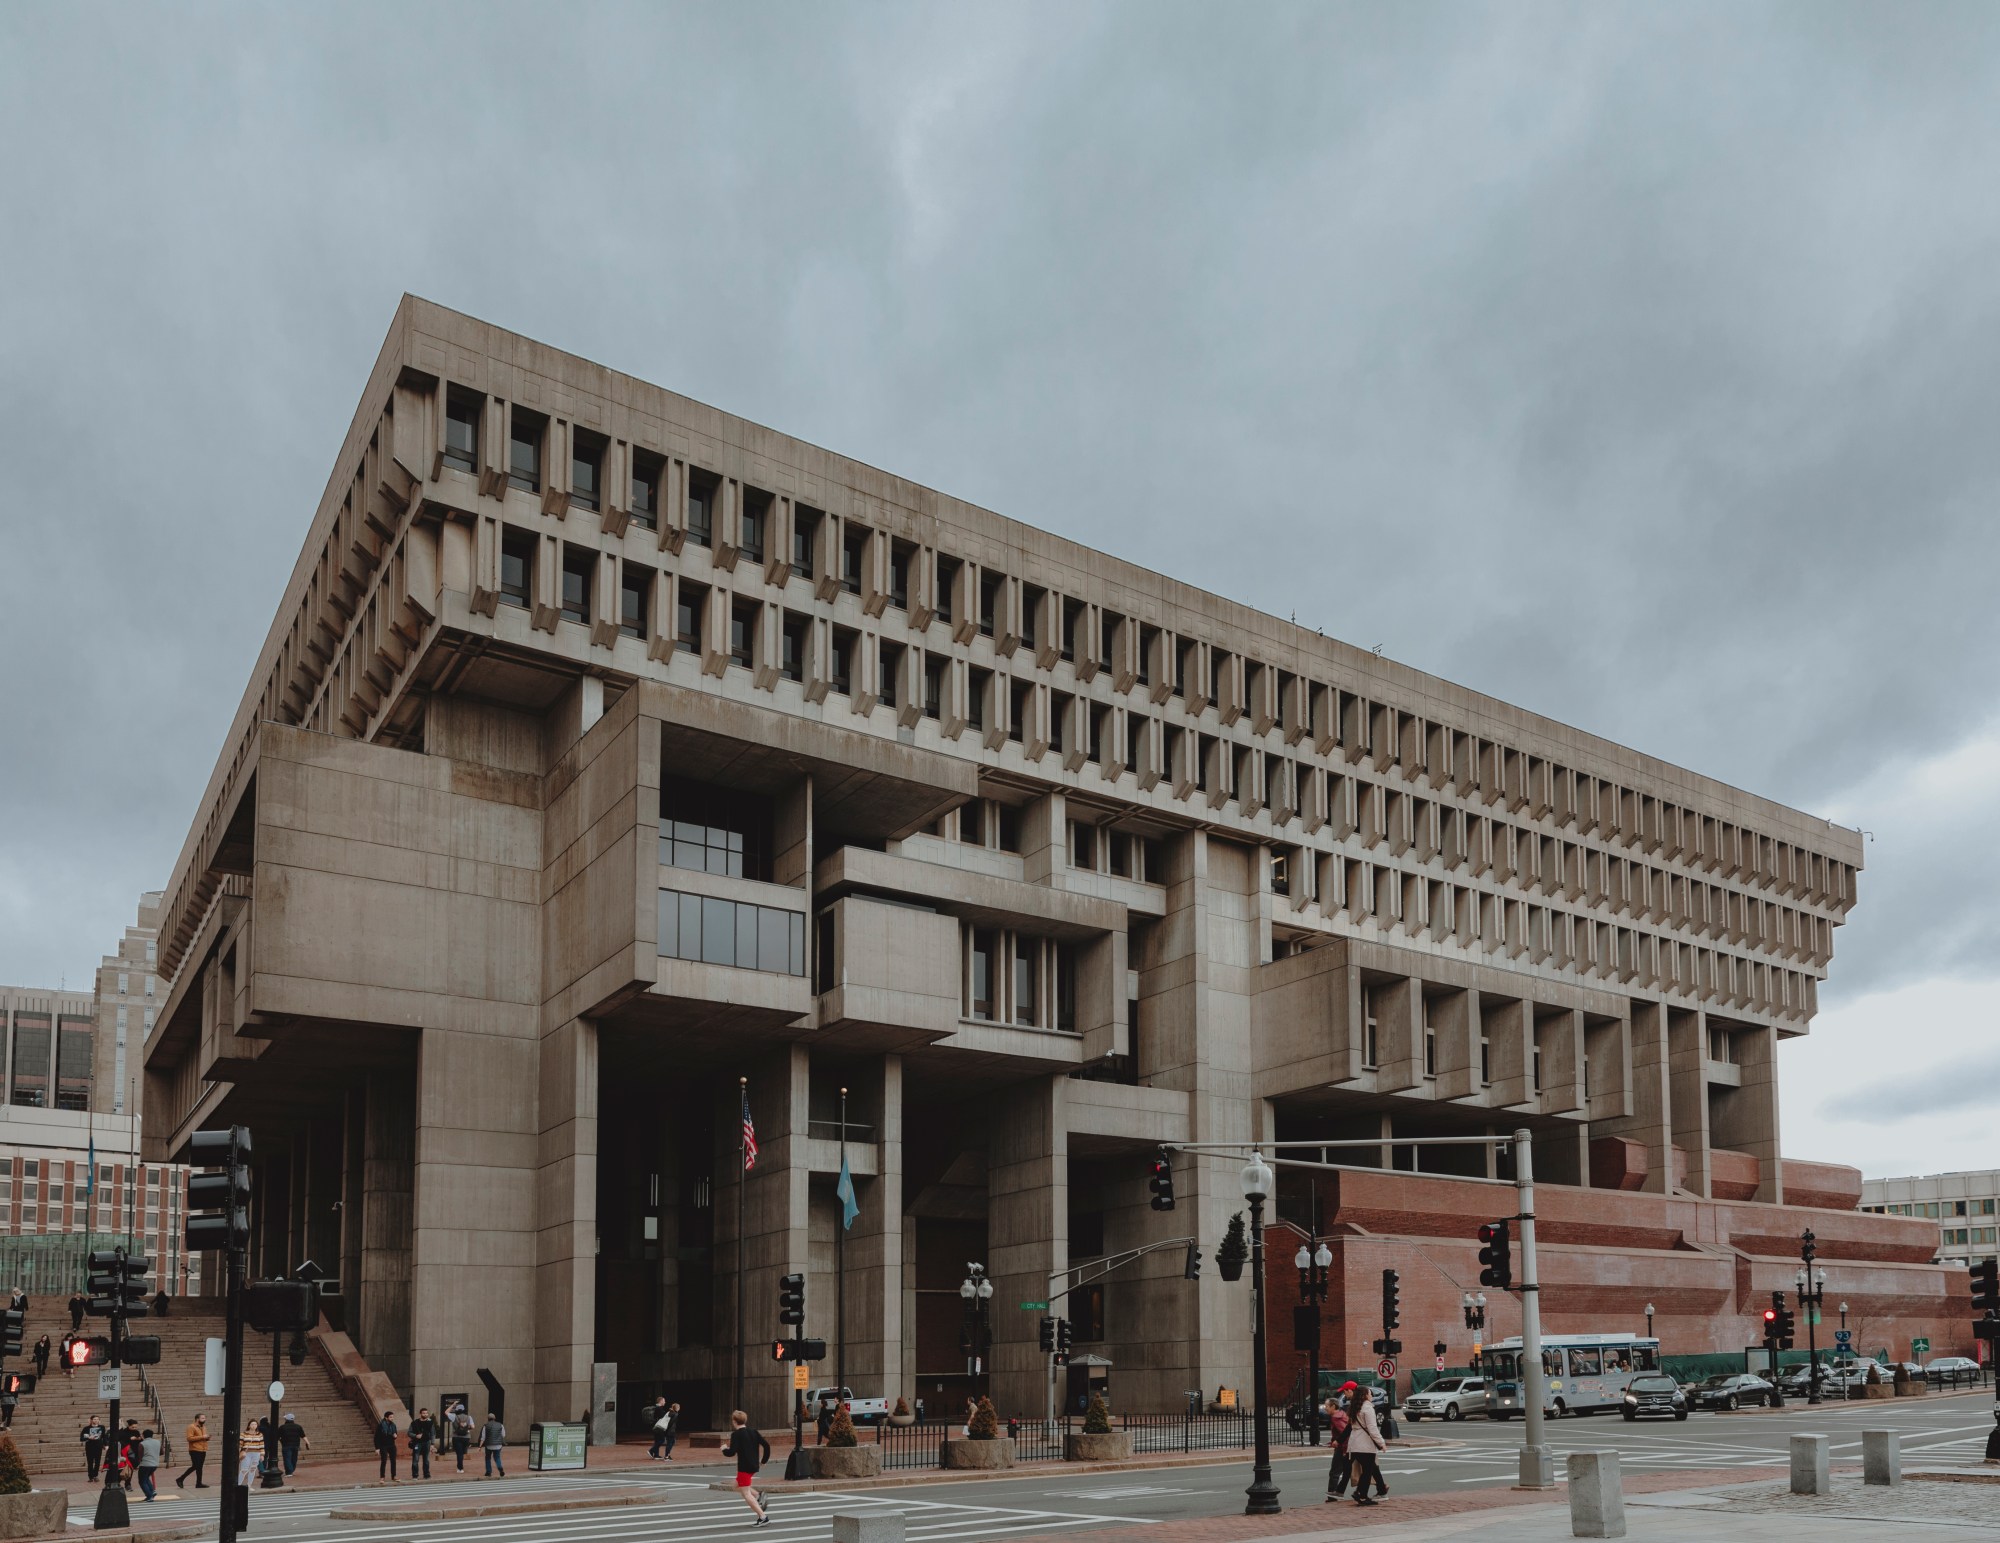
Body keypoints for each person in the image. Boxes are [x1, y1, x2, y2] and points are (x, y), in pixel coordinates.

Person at [723, 1409, 771, 1526]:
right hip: (754, 1465)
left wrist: (724, 1449)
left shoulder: (736, 1434)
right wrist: (764, 1461)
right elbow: (766, 1445)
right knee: (735, 1485)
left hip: (744, 1467)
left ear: (734, 1421)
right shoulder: (753, 1432)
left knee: (746, 1494)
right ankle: (758, 1495)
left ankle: (763, 1517)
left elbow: (731, 1452)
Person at [1344, 1383, 1388, 1506]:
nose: (1371, 1395)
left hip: (1354, 1444)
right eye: (1370, 1393)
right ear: (1365, 1395)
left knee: (1368, 1469)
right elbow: (1372, 1429)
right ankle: (1361, 1495)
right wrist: (1381, 1443)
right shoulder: (1368, 1408)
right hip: (1365, 1445)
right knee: (1367, 1471)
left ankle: (1361, 1493)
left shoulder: (1355, 1408)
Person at [1324, 1385, 1354, 1501]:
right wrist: (1333, 1441)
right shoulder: (1342, 1414)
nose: (1325, 1408)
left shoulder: (1336, 1418)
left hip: (1342, 1448)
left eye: (1327, 1406)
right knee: (1348, 1472)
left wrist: (1343, 1449)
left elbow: (1344, 1434)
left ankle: (1332, 1496)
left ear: (1333, 1406)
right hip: (1345, 1447)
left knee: (1334, 1473)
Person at [177, 1414, 210, 1488]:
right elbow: (189, 1438)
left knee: (200, 1467)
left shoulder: (204, 1427)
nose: (204, 1419)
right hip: (195, 1450)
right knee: (195, 1466)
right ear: (197, 1419)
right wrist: (202, 1437)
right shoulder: (191, 1427)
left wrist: (207, 1438)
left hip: (203, 1449)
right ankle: (180, 1479)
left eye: (205, 1418)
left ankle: (199, 1483)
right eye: (202, 1418)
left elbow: (202, 1438)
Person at [237, 1421, 265, 1490]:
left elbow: (261, 1445)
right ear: (249, 1425)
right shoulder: (243, 1434)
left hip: (256, 1453)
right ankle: (238, 1484)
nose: (254, 1425)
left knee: (253, 1469)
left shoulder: (260, 1434)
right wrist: (238, 1452)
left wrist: (262, 1455)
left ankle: (249, 1485)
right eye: (252, 1424)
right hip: (246, 1453)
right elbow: (240, 1444)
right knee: (244, 1469)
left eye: (255, 1424)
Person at [407, 1408, 434, 1480]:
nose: (425, 1414)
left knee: (426, 1460)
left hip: (427, 1442)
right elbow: (409, 1433)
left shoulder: (430, 1422)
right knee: (415, 1459)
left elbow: (433, 1433)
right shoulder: (415, 1423)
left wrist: (432, 1444)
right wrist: (415, 1436)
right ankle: (415, 1475)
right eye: (423, 1413)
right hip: (417, 1443)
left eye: (426, 1413)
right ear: (420, 1414)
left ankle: (426, 1475)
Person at [136, 1429, 162, 1502]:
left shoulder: (142, 1443)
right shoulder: (158, 1442)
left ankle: (149, 1496)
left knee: (142, 1481)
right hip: (155, 1464)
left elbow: (140, 1456)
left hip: (145, 1464)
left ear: (143, 1435)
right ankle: (152, 1491)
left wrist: (136, 1464)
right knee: (146, 1478)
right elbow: (161, 1452)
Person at [81, 1415, 108, 1482]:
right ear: (91, 1420)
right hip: (89, 1447)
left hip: (98, 1446)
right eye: (94, 1419)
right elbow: (81, 1438)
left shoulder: (102, 1427)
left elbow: (104, 1437)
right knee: (90, 1462)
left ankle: (95, 1476)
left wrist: (106, 1445)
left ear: (99, 1420)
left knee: (97, 1462)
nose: (96, 1420)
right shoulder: (86, 1428)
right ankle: (90, 1477)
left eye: (97, 1419)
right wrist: (88, 1437)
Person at [479, 1412, 506, 1477]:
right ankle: (500, 1468)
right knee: (497, 1457)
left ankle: (488, 1472)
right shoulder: (500, 1425)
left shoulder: (485, 1426)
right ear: (495, 1418)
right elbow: (503, 1435)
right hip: (498, 1445)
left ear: (488, 1418)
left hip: (489, 1445)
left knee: (488, 1458)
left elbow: (483, 1437)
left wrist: (480, 1446)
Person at [374, 1411, 400, 1480]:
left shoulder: (393, 1425)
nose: (392, 1418)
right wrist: (377, 1448)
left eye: (393, 1417)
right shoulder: (381, 1425)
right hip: (383, 1445)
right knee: (384, 1461)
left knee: (393, 1461)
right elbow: (376, 1437)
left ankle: (394, 1476)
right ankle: (382, 1477)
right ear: (386, 1417)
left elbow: (395, 1434)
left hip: (392, 1445)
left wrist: (395, 1436)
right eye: (390, 1417)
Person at [449, 1404, 474, 1471]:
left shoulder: (454, 1416)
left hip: (456, 1436)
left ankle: (460, 1468)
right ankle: (460, 1466)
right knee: (462, 1453)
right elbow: (473, 1427)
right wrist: (467, 1428)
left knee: (459, 1453)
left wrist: (453, 1405)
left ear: (457, 1410)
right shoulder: (469, 1417)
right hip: (466, 1437)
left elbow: (446, 1412)